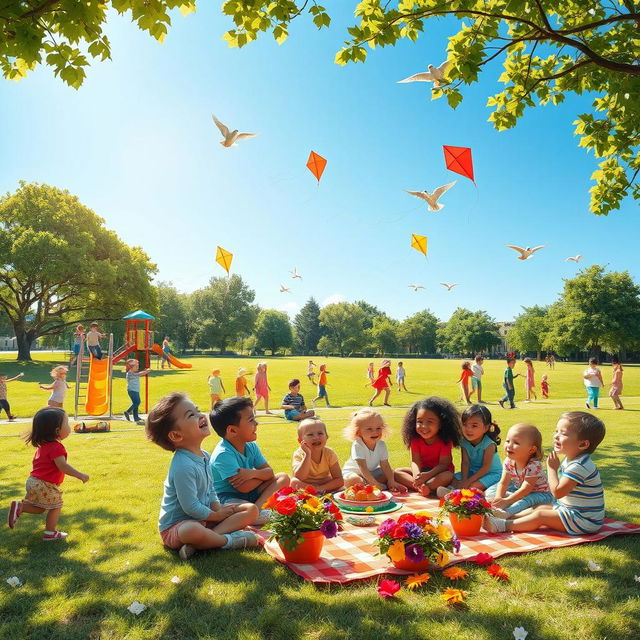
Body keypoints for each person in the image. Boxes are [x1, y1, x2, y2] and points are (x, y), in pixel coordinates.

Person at [145, 392, 259, 560]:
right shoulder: (182, 465)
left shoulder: (204, 455)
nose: (200, 415)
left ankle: (202, 542)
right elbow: (190, 507)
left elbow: (210, 489)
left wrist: (218, 509)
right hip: (178, 527)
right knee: (191, 530)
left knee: (251, 509)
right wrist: (216, 516)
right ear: (176, 435)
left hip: (205, 519)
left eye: (197, 410)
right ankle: (228, 541)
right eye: (191, 414)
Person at [484, 412, 605, 535]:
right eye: (556, 431)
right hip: (570, 511)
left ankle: (502, 525)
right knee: (539, 508)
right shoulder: (572, 460)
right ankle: (506, 517)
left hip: (584, 520)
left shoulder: (579, 466)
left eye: (563, 433)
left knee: (541, 515)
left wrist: (552, 469)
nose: (556, 436)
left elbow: (558, 493)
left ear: (583, 444)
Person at [7, 407, 89, 540]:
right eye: (66, 424)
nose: (69, 427)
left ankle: (20, 507)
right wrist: (80, 475)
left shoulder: (43, 446)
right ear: (57, 431)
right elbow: (63, 466)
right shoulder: (56, 447)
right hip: (44, 484)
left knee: (40, 508)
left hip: (33, 481)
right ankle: (50, 533)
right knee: (56, 506)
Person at [210, 396, 290, 523]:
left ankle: (257, 510)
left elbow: (270, 473)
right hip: (228, 499)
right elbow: (244, 487)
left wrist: (252, 473)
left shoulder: (251, 446)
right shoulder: (223, 454)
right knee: (240, 508)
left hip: (251, 494)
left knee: (283, 477)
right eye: (251, 420)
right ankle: (254, 514)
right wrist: (263, 476)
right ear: (232, 430)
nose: (256, 423)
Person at [395, 397, 461, 496]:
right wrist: (417, 475)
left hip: (438, 473)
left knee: (448, 476)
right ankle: (422, 487)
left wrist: (427, 475)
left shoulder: (445, 441)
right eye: (420, 422)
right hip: (422, 472)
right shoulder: (415, 440)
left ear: (440, 424)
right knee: (396, 472)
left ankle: (427, 487)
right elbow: (415, 461)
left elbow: (444, 465)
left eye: (430, 422)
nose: (424, 426)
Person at [485, 423, 552, 517]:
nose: (509, 445)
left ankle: (507, 513)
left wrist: (507, 501)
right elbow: (503, 483)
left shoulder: (533, 465)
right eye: (508, 441)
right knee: (491, 491)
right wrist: (498, 498)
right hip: (519, 490)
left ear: (531, 450)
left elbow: (526, 488)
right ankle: (503, 505)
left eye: (516, 443)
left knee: (526, 500)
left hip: (541, 494)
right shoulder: (509, 461)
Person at [437, 404, 502, 495]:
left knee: (472, 486)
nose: (468, 429)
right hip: (472, 472)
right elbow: (465, 463)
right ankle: (453, 492)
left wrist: (467, 482)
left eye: (474, 426)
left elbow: (485, 468)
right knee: (454, 478)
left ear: (486, 428)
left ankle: (456, 493)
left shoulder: (489, 445)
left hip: (491, 474)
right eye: (465, 425)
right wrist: (464, 479)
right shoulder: (465, 442)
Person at [342, 408, 407, 492]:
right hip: (353, 473)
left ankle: (384, 485)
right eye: (369, 429)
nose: (375, 432)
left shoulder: (381, 445)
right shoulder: (358, 445)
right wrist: (375, 484)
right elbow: (363, 468)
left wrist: (391, 480)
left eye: (378, 428)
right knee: (356, 480)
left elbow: (385, 466)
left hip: (371, 473)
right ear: (358, 432)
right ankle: (372, 486)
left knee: (391, 473)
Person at [291, 418, 344, 492]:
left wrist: (320, 488)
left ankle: (319, 491)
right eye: (310, 435)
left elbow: (339, 479)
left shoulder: (329, 453)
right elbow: (300, 477)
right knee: (294, 482)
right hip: (306, 484)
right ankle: (316, 492)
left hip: (324, 484)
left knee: (342, 484)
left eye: (320, 433)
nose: (316, 437)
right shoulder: (299, 454)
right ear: (300, 441)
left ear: (326, 437)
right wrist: (307, 455)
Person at [123, 359, 151, 425]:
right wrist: (147, 371)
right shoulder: (130, 374)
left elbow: (140, 373)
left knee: (135, 403)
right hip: (132, 391)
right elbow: (141, 374)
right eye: (136, 366)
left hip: (135, 390)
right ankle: (127, 411)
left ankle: (136, 417)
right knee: (137, 402)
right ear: (132, 367)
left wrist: (145, 370)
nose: (138, 367)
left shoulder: (133, 373)